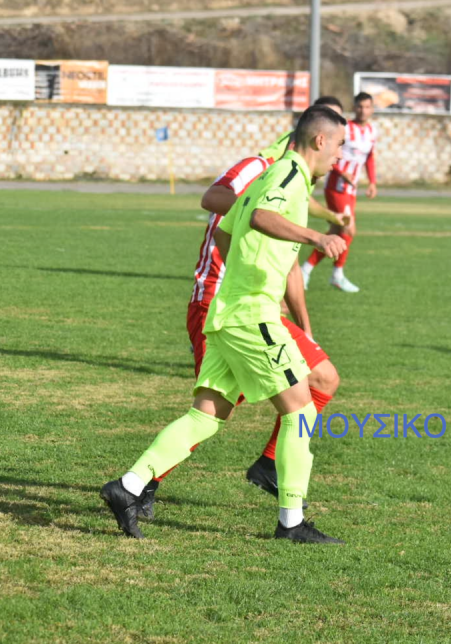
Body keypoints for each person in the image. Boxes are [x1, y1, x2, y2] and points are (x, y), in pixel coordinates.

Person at [101, 106, 349, 543]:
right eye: (340, 145)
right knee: (301, 410)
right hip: (252, 316)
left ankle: (129, 486)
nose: (340, 156)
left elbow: (224, 229)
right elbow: (259, 219)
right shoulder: (288, 176)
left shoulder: (269, 176)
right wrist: (316, 236)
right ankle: (291, 522)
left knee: (206, 416)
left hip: (227, 312)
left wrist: (251, 269)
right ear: (320, 140)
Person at [301, 92, 378, 293]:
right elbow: (329, 152)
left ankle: (306, 270)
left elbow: (370, 157)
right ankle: (337, 274)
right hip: (337, 187)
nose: (363, 111)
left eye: (367, 107)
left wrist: (372, 182)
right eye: (360, 106)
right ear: (354, 107)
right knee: (348, 229)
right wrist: (342, 173)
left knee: (337, 231)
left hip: (351, 190)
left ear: (372, 109)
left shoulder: (372, 131)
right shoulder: (346, 128)